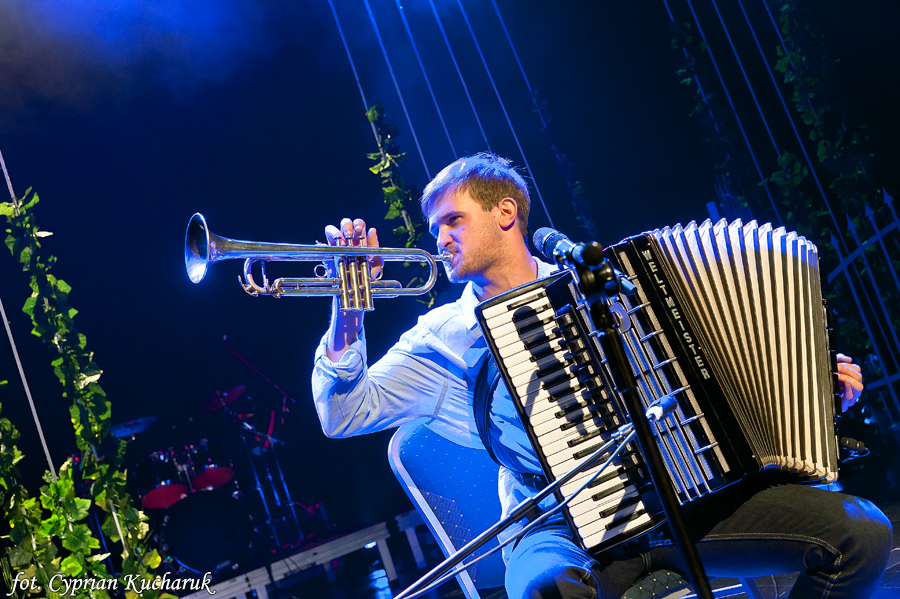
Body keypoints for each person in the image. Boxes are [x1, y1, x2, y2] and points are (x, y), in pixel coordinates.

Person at [311, 152, 892, 598]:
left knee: (862, 535)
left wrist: (815, 395)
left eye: (453, 221)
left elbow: (712, 391)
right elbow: (342, 414)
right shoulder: (441, 337)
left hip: (673, 501)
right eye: (435, 227)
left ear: (506, 213)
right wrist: (348, 311)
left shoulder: (609, 283)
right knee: (545, 590)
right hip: (557, 526)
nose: (439, 239)